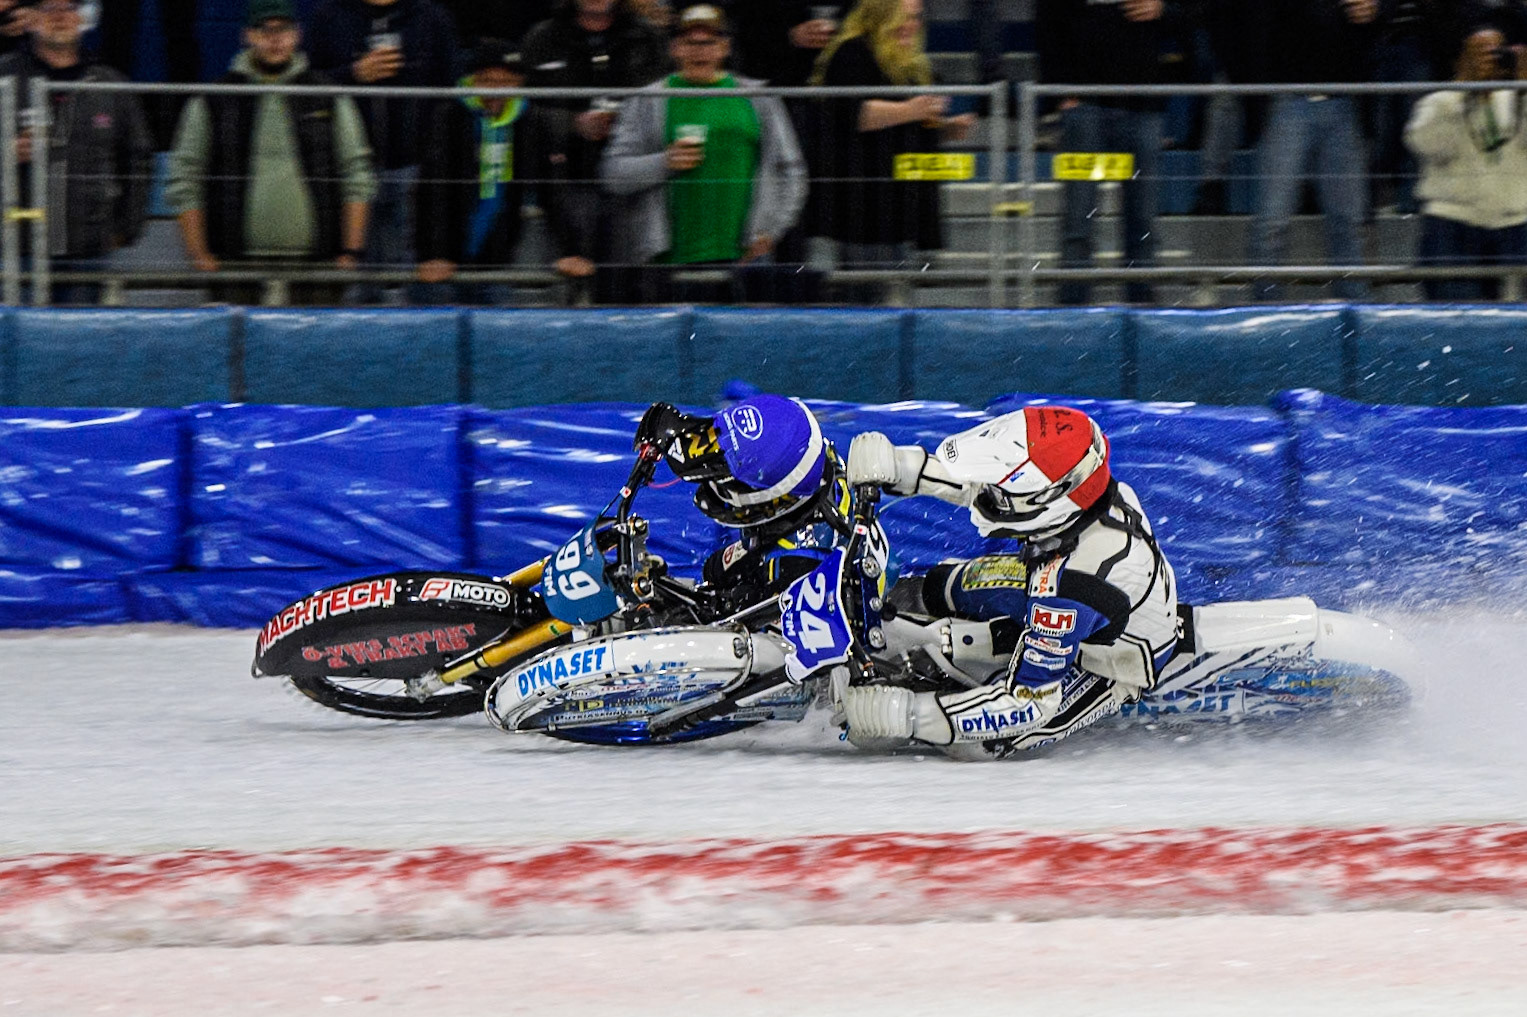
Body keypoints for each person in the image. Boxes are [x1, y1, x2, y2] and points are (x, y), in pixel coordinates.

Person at [839, 406, 1180, 759]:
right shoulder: (1083, 498)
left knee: (975, 746)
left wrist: (909, 715)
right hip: (1065, 580)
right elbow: (986, 486)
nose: (988, 494)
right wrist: (899, 465)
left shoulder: (1073, 589)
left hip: (1107, 664)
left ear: (1051, 500)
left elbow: (1028, 704)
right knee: (940, 587)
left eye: (1002, 493)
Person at [166, 0, 377, 306]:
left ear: (298, 34)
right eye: (265, 30)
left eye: (284, 29)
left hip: (318, 268)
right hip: (233, 268)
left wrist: (351, 252)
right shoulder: (215, 99)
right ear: (247, 35)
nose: (275, 38)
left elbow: (356, 173)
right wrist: (198, 253)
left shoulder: (327, 96)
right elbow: (185, 176)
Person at [601, 4, 808, 303]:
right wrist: (664, 162)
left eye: (709, 42)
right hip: (667, 259)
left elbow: (792, 170)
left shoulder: (759, 98)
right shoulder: (647, 100)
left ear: (725, 47)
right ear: (675, 48)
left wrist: (771, 230)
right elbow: (613, 174)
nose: (700, 51)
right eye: (690, 43)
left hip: (745, 256)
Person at [809, 0, 973, 298]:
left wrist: (946, 128)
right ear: (882, 17)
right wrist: (912, 110)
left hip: (905, 207)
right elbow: (854, 113)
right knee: (867, 300)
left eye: (916, 18)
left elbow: (911, 122)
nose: (912, 25)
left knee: (898, 302)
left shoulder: (911, 61)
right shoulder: (852, 52)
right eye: (904, 17)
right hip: (866, 208)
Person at [637, 393, 851, 614]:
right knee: (714, 570)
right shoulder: (814, 455)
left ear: (775, 502)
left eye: (733, 486)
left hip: (792, 580)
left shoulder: (795, 571)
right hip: (793, 534)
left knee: (721, 584)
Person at [306, 0, 460, 304]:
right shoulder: (328, 16)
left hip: (415, 168)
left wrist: (432, 150)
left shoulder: (432, 18)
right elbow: (307, 84)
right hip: (350, 174)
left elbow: (451, 90)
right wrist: (354, 73)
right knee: (357, 284)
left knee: (417, 281)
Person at [0, 0, 152, 306]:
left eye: (69, 7)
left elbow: (138, 160)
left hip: (88, 254)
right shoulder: (4, 77)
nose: (59, 16)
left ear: (83, 18)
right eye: (49, 8)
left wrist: (126, 229)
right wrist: (7, 152)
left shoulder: (110, 84)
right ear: (30, 18)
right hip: (16, 252)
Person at [1036, 0, 1187, 306]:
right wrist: (1061, 93)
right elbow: (1049, 20)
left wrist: (1163, 9)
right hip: (1084, 106)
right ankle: (1073, 321)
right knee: (1078, 222)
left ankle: (1142, 319)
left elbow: (1194, 16)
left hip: (1143, 105)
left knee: (1142, 224)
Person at [521, 0, 670, 300]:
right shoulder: (543, 37)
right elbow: (525, 108)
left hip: (634, 182)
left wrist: (625, 123)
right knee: (568, 283)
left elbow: (664, 99)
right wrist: (573, 123)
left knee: (630, 284)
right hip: (566, 181)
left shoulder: (646, 37)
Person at [1246, 0, 1381, 302]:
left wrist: (1373, 11)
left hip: (1344, 101)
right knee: (1272, 220)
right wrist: (1258, 107)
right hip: (1287, 100)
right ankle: (1265, 314)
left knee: (1348, 220)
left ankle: (1354, 313)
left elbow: (1376, 22)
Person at [1405, 20, 1527, 301]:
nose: (1489, 57)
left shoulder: (1517, 98)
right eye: (1479, 51)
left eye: (1496, 50)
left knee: (1509, 315)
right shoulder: (1439, 101)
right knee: (1454, 310)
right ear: (1462, 59)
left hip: (1514, 222)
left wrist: (1523, 83)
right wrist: (1464, 88)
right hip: (1453, 222)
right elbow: (1430, 146)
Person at [414, 41, 536, 305]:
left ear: (518, 83)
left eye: (506, 82)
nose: (497, 91)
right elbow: (433, 189)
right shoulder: (449, 116)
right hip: (445, 261)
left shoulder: (527, 120)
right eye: (489, 81)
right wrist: (434, 252)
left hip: (498, 260)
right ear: (474, 80)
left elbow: (551, 187)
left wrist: (573, 250)